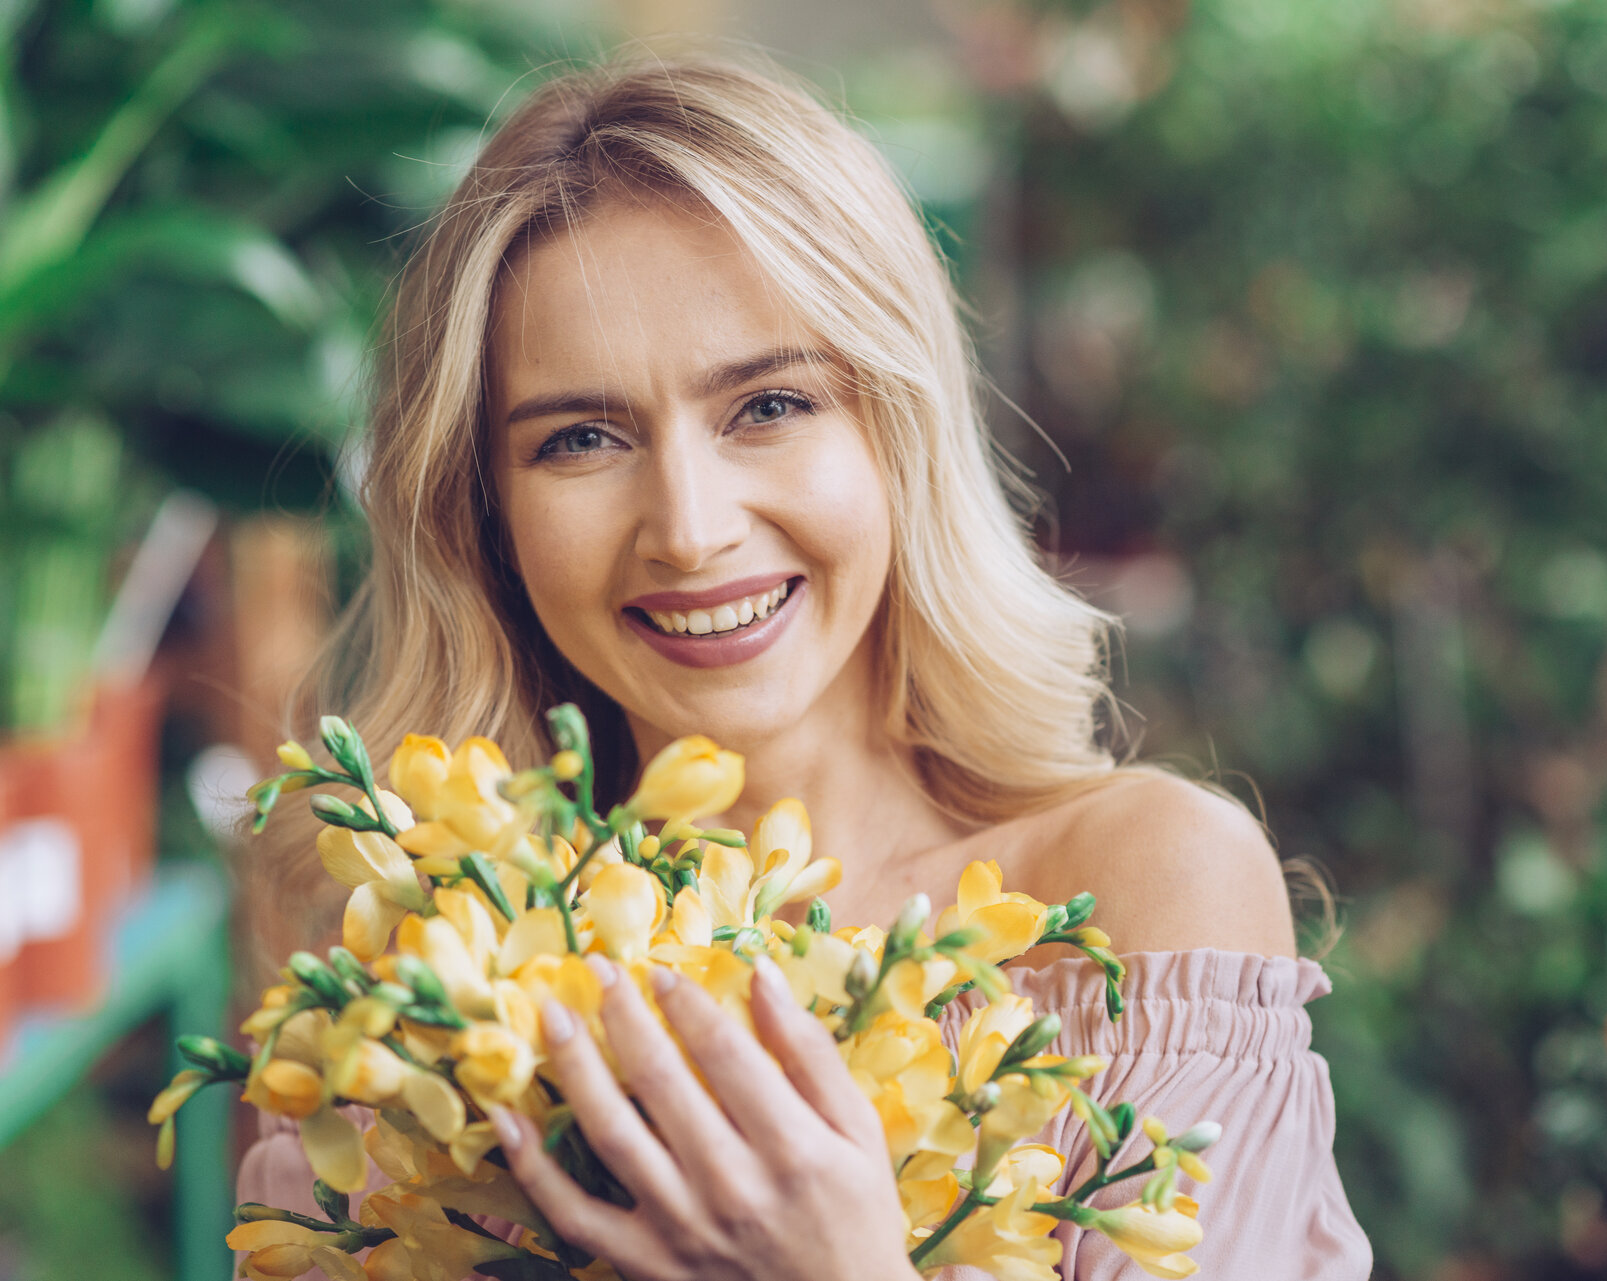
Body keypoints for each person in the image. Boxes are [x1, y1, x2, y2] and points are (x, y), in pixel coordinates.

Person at [235, 53, 1371, 1281]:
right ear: (485, 517)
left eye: (767, 406)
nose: (689, 525)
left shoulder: (1145, 890)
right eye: (582, 437)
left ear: (897, 429)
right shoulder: (424, 991)